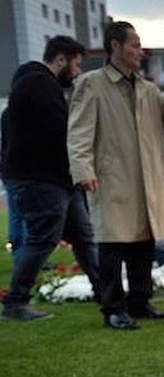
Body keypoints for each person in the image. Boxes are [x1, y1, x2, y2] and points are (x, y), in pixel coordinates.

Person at [68, 21, 164, 330]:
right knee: (112, 244)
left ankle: (139, 302)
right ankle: (113, 308)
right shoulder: (91, 83)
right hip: (112, 176)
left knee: (143, 242)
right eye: (135, 45)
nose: (140, 52)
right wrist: (83, 169)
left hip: (147, 178)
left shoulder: (147, 89)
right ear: (115, 46)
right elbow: (78, 132)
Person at [2, 35, 99, 322]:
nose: (78, 72)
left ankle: (106, 292)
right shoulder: (40, 85)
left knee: (83, 237)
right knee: (43, 240)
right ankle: (15, 303)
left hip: (56, 180)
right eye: (76, 65)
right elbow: (63, 132)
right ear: (61, 59)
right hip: (42, 179)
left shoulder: (35, 84)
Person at [1, 104, 24, 253]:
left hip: (8, 168)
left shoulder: (7, 113)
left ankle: (19, 254)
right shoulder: (26, 113)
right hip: (23, 170)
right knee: (29, 217)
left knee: (15, 215)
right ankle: (31, 255)